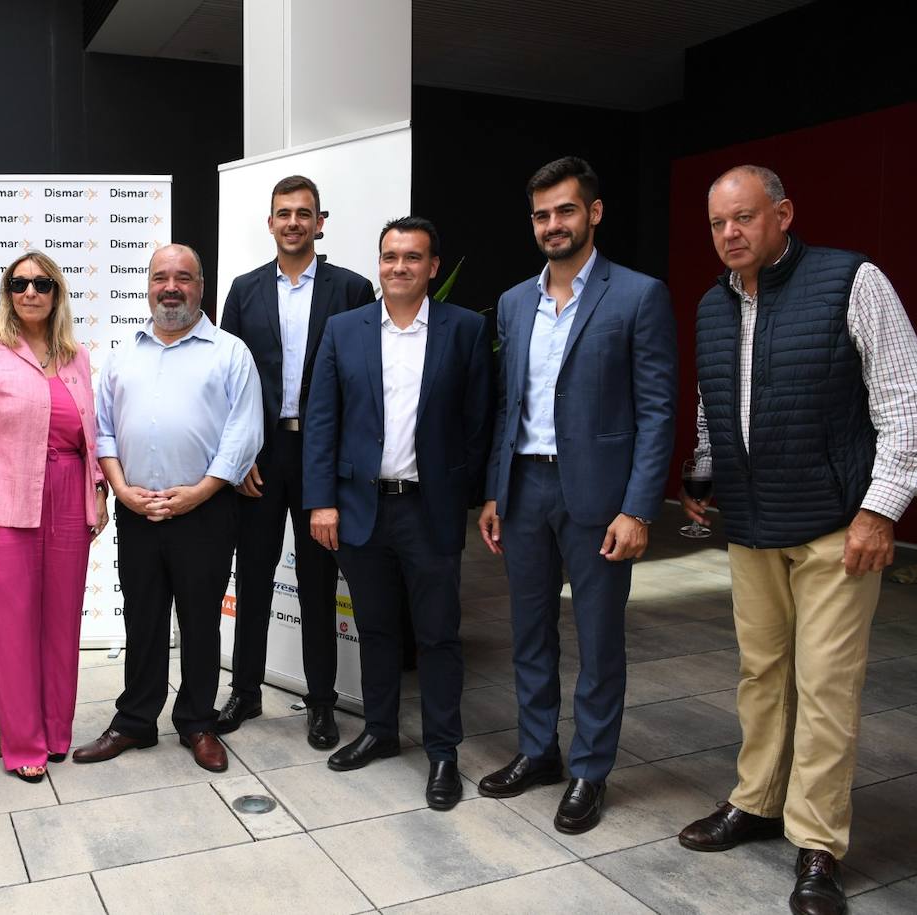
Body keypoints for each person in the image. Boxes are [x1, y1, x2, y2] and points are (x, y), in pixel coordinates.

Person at [677, 165, 917, 915]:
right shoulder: (713, 304)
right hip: (753, 525)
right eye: (719, 223)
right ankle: (754, 802)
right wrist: (705, 470)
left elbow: (907, 399)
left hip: (834, 528)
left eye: (745, 218)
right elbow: (714, 396)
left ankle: (817, 843)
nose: (730, 234)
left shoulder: (854, 281)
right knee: (761, 675)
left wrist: (880, 511)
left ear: (782, 214)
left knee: (824, 688)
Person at [476, 156, 678, 834]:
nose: (553, 224)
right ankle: (539, 750)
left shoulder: (638, 295)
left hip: (598, 495)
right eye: (541, 214)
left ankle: (591, 768)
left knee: (599, 639)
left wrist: (639, 506)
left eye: (565, 210)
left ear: (593, 212)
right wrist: (494, 491)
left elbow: (658, 409)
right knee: (528, 632)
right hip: (525, 488)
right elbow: (510, 405)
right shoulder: (513, 301)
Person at [303, 216, 493, 811]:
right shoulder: (344, 329)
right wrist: (322, 499)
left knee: (437, 636)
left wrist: (472, 493)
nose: (399, 267)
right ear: (378, 263)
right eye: (389, 257)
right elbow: (322, 420)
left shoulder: (465, 330)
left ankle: (443, 752)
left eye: (413, 258)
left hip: (428, 511)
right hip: (361, 510)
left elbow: (479, 421)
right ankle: (381, 731)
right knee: (377, 629)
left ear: (433, 267)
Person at [73, 244, 262, 773]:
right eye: (161, 277)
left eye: (184, 278)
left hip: (204, 511)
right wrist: (121, 489)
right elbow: (102, 430)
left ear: (202, 286)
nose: (171, 287)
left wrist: (200, 491)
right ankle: (135, 721)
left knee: (201, 621)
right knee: (144, 619)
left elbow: (243, 434)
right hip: (138, 511)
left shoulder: (229, 352)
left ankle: (198, 721)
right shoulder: (123, 354)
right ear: (148, 285)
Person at [218, 175, 375, 747]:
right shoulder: (243, 290)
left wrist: (336, 467)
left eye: (303, 214)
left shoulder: (352, 289)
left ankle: (321, 702)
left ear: (320, 221)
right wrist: (238, 457)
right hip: (261, 455)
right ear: (270, 222)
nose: (293, 223)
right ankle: (245, 693)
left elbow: (361, 386)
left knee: (316, 584)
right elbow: (229, 380)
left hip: (320, 455)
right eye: (283, 213)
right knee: (254, 579)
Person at [0, 250, 108, 782]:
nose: (31, 292)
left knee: (61, 624)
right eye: (19, 284)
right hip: (6, 503)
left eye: (42, 283)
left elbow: (92, 434)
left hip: (69, 496)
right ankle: (23, 743)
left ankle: (56, 732)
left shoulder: (77, 356)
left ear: (57, 292)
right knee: (14, 629)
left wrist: (99, 491)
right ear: (8, 293)